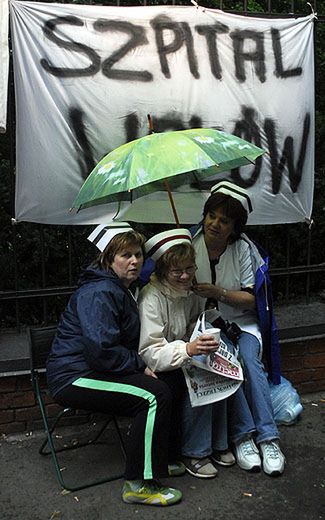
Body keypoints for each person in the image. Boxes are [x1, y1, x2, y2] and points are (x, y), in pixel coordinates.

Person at [46, 222, 182, 507]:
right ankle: (139, 484)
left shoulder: (122, 288)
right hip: (75, 376)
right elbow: (101, 349)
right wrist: (138, 363)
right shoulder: (100, 292)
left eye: (138, 255)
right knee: (153, 396)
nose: (134, 261)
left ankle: (158, 459)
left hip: (96, 368)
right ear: (108, 259)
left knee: (169, 379)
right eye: (125, 256)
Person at [192, 180, 285, 476]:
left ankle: (269, 439)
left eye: (224, 221)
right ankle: (244, 437)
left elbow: (250, 300)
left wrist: (217, 293)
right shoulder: (189, 247)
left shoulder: (244, 249)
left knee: (251, 364)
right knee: (227, 364)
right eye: (212, 217)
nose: (215, 225)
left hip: (244, 324)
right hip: (209, 327)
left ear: (235, 227)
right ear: (204, 215)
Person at [138, 229, 242, 479]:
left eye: (190, 268)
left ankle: (218, 443)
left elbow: (193, 324)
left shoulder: (190, 292)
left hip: (182, 354)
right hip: (160, 363)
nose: (185, 276)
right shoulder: (151, 298)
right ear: (163, 271)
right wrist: (187, 349)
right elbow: (150, 350)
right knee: (196, 377)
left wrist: (202, 330)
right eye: (177, 271)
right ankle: (195, 452)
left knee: (219, 370)